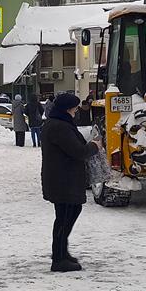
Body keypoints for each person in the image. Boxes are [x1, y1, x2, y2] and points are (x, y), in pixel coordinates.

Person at [41, 92, 101, 272]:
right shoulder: (59, 127)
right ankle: (59, 260)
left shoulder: (59, 123)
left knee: (72, 211)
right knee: (64, 216)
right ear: (68, 109)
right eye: (74, 107)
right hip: (62, 179)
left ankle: (62, 252)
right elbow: (78, 151)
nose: (77, 110)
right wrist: (94, 146)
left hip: (64, 178)